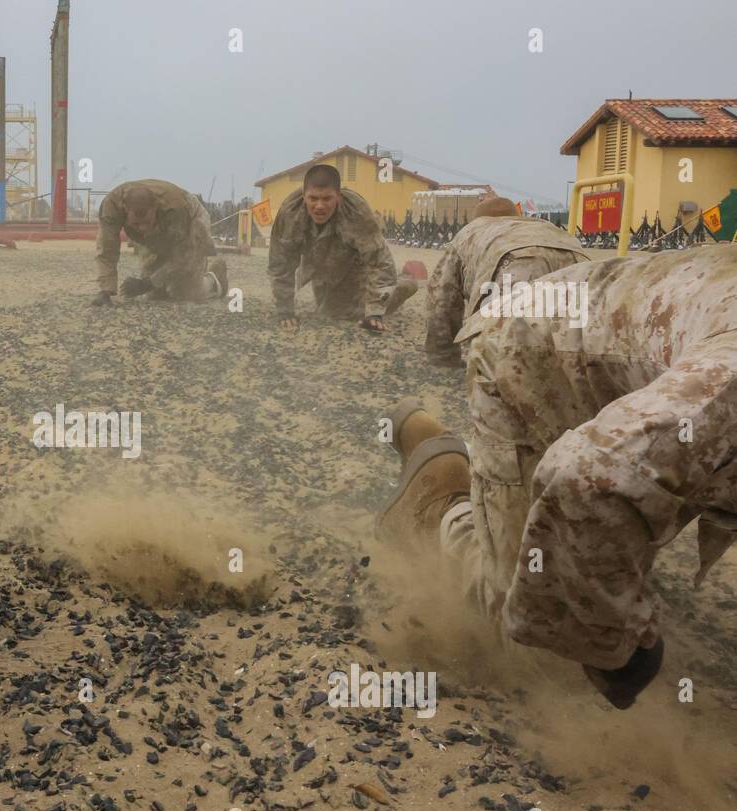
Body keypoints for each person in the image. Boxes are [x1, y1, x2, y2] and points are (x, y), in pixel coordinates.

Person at [375, 245, 737, 710]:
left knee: (594, 552)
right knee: (529, 633)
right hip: (526, 354)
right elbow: (590, 479)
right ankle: (442, 491)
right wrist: (617, 647)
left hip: (619, 369)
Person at [424, 196, 587, 367]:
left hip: (514, 263)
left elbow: (441, 297)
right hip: (576, 260)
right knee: (574, 335)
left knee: (501, 351)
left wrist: (442, 354)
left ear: (478, 220)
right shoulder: (546, 227)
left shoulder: (471, 231)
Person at [268, 164, 416, 334]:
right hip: (318, 262)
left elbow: (379, 261)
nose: (320, 206)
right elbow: (280, 264)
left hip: (353, 261)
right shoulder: (290, 213)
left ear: (338, 196)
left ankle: (402, 286)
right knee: (326, 309)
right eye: (313, 198)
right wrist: (285, 310)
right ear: (304, 195)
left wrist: (375, 313)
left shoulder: (356, 212)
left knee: (349, 313)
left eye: (327, 199)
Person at [92, 179, 228, 306]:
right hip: (158, 234)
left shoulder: (177, 210)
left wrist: (147, 283)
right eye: (136, 224)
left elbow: (181, 257)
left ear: (155, 208)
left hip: (191, 221)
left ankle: (213, 280)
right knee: (155, 295)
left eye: (147, 222)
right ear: (125, 210)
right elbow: (106, 249)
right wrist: (106, 290)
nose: (142, 228)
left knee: (185, 294)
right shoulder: (111, 209)